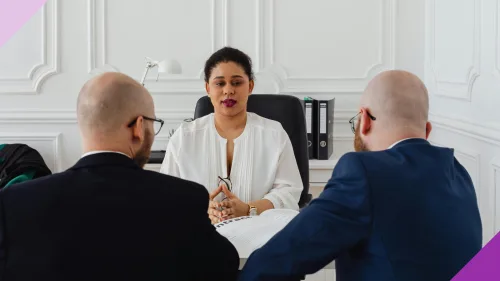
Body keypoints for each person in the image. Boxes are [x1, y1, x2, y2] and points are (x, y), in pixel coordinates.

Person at [238, 70, 483, 281]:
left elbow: (287, 253)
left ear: (364, 120)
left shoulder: (364, 171)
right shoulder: (459, 174)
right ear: (426, 131)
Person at [0, 72, 239, 281]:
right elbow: (225, 267)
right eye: (152, 124)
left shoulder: (13, 203)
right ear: (137, 127)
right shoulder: (184, 199)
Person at [160, 47, 303, 224]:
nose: (228, 90)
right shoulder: (184, 137)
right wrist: (201, 207)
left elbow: (289, 192)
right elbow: (167, 195)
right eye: (220, 83)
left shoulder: (274, 134)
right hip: (198, 233)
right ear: (208, 88)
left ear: (250, 86)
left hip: (259, 232)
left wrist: (249, 209)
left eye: (236, 83)